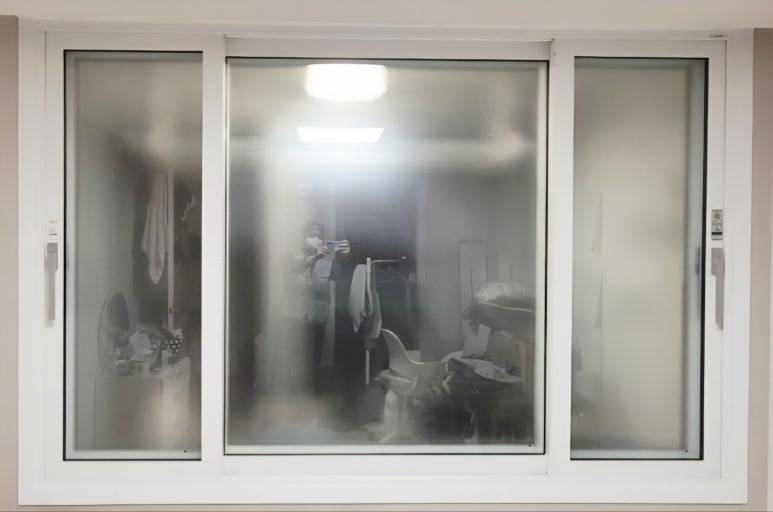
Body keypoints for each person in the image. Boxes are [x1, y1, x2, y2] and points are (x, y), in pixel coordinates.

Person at [286, 221, 349, 400]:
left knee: (314, 359)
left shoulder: (328, 260)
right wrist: (313, 258)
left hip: (317, 317)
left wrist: (345, 258)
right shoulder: (291, 255)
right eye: (312, 235)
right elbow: (287, 271)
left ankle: (310, 397)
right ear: (303, 236)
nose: (316, 239)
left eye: (319, 236)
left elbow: (342, 279)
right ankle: (292, 396)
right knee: (294, 358)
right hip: (294, 316)